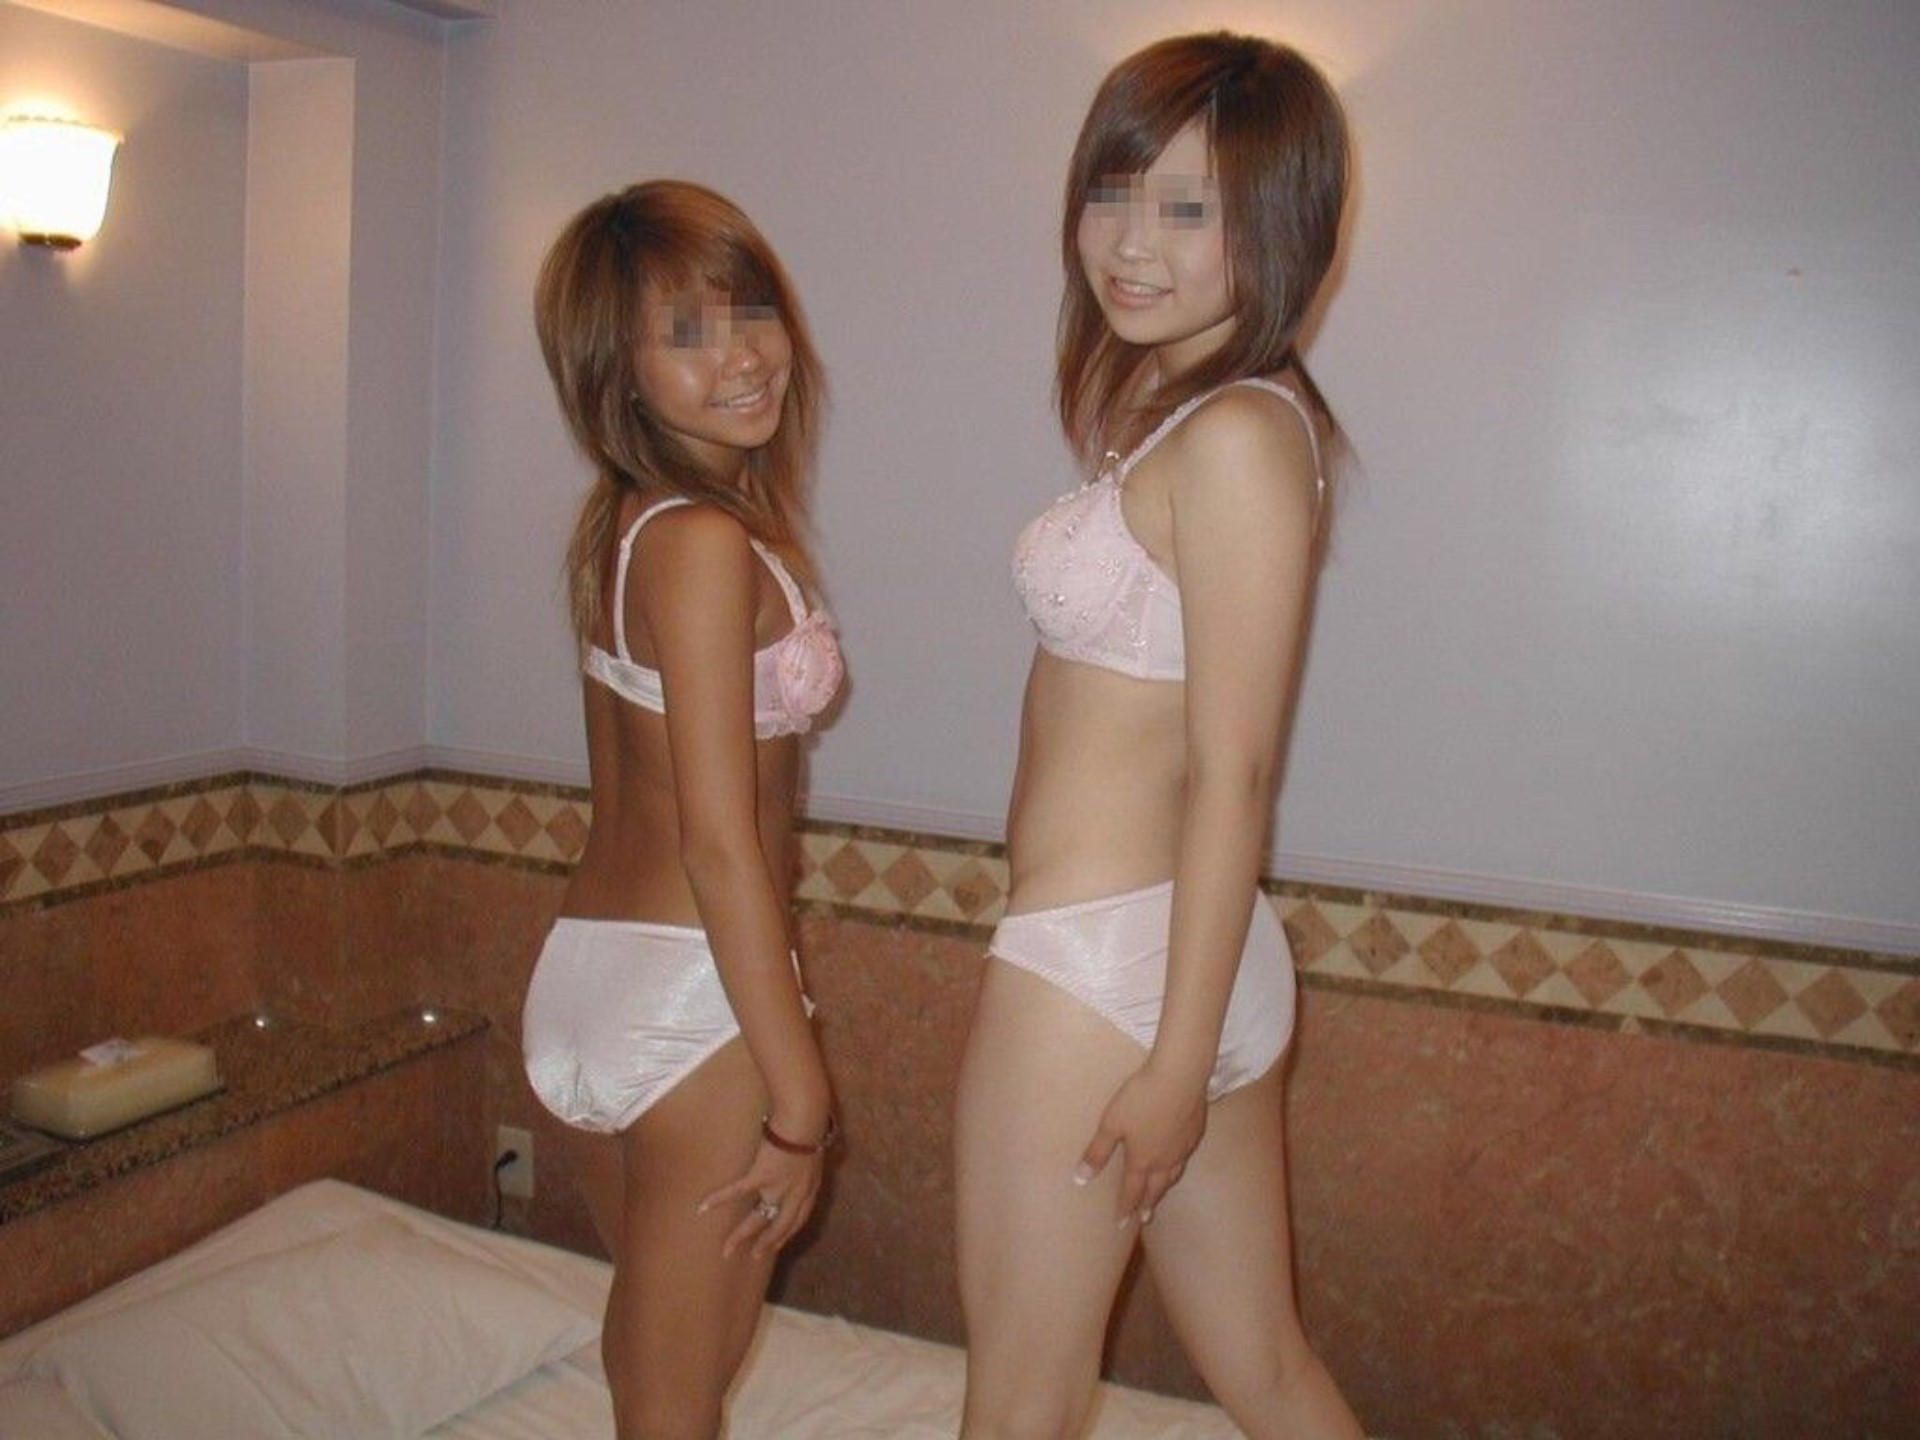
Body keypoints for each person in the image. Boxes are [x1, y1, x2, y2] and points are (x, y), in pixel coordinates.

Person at [955, 33, 1366, 1440]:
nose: (1131, 244)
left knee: (1016, 1406)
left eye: (1189, 209)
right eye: (1113, 192)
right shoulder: (1192, 415)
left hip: (1108, 973)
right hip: (1183, 952)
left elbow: (1234, 771)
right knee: (1267, 1371)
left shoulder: (1239, 435)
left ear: (1281, 225)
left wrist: (1177, 1065)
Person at [520, 180, 843, 1440]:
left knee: (654, 1366)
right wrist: (801, 1101)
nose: (743, 356)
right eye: (687, 334)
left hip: (593, 974)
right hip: (689, 996)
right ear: (619, 373)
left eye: (749, 310)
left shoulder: (627, 526)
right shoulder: (702, 541)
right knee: (676, 1401)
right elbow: (719, 844)